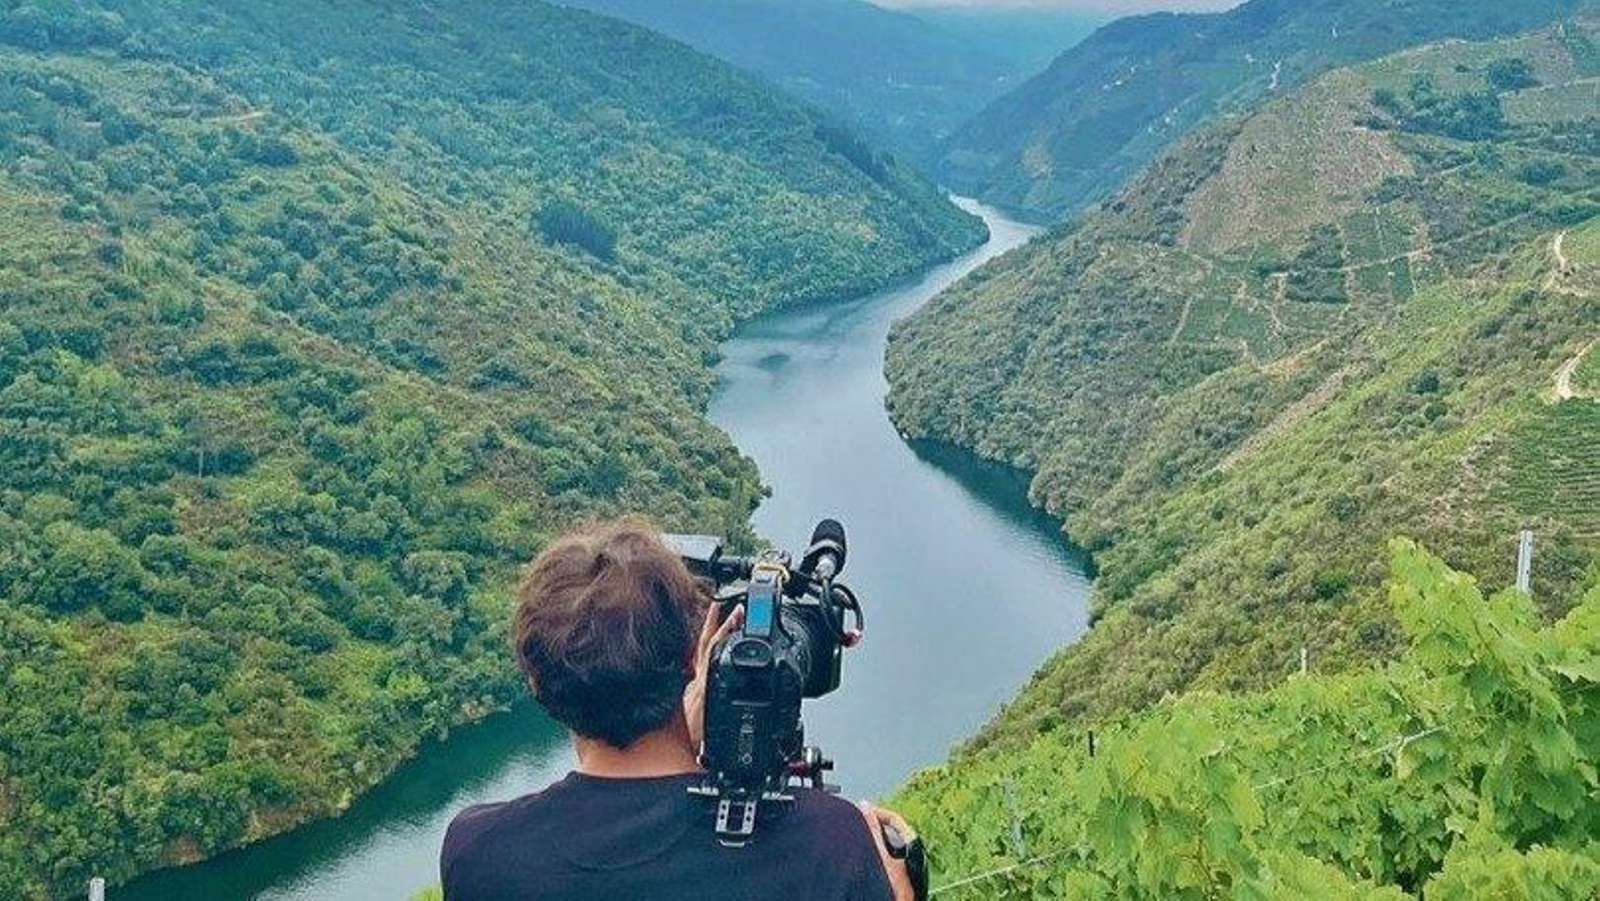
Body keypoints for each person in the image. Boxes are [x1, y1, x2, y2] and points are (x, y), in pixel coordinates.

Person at [441, 517, 917, 900]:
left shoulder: (479, 853)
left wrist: (682, 740)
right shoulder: (831, 843)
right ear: (694, 655)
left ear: (537, 681)